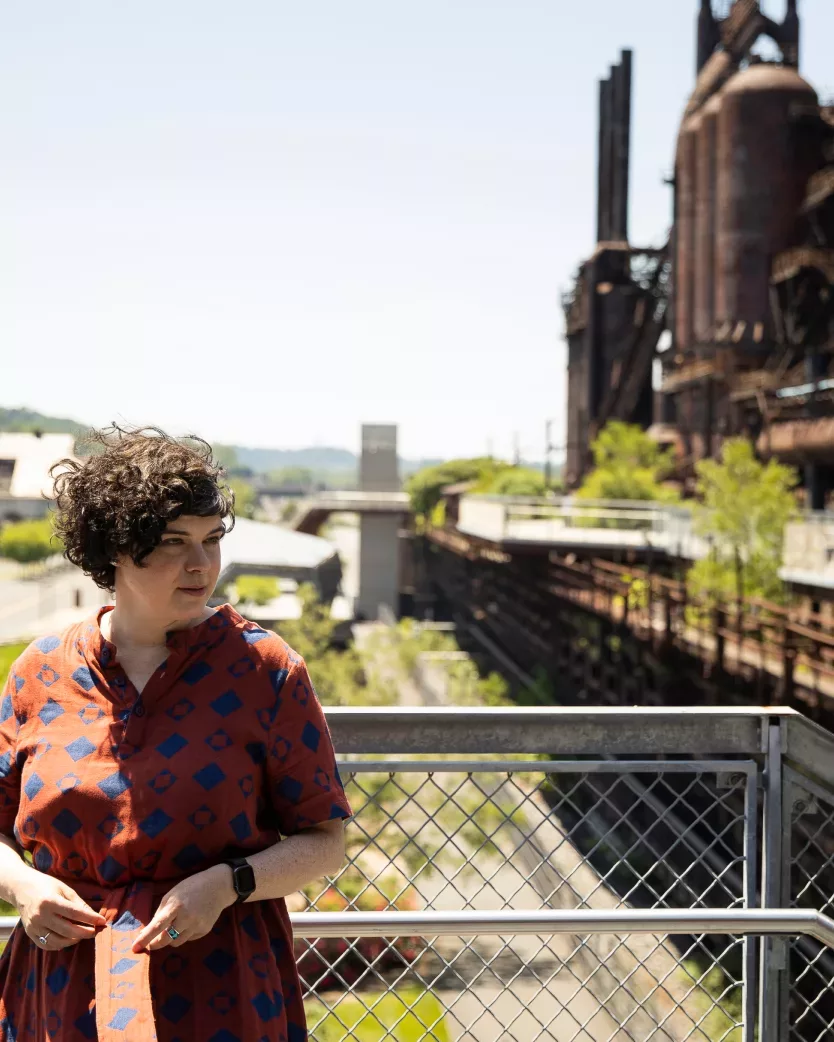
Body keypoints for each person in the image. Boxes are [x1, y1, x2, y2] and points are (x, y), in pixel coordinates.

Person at [0, 426, 351, 1041]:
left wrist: (229, 883)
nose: (202, 564)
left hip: (223, 989)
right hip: (63, 990)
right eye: (172, 542)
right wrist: (23, 886)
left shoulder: (265, 669)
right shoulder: (40, 670)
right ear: (113, 548)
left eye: (211, 540)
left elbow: (324, 840)